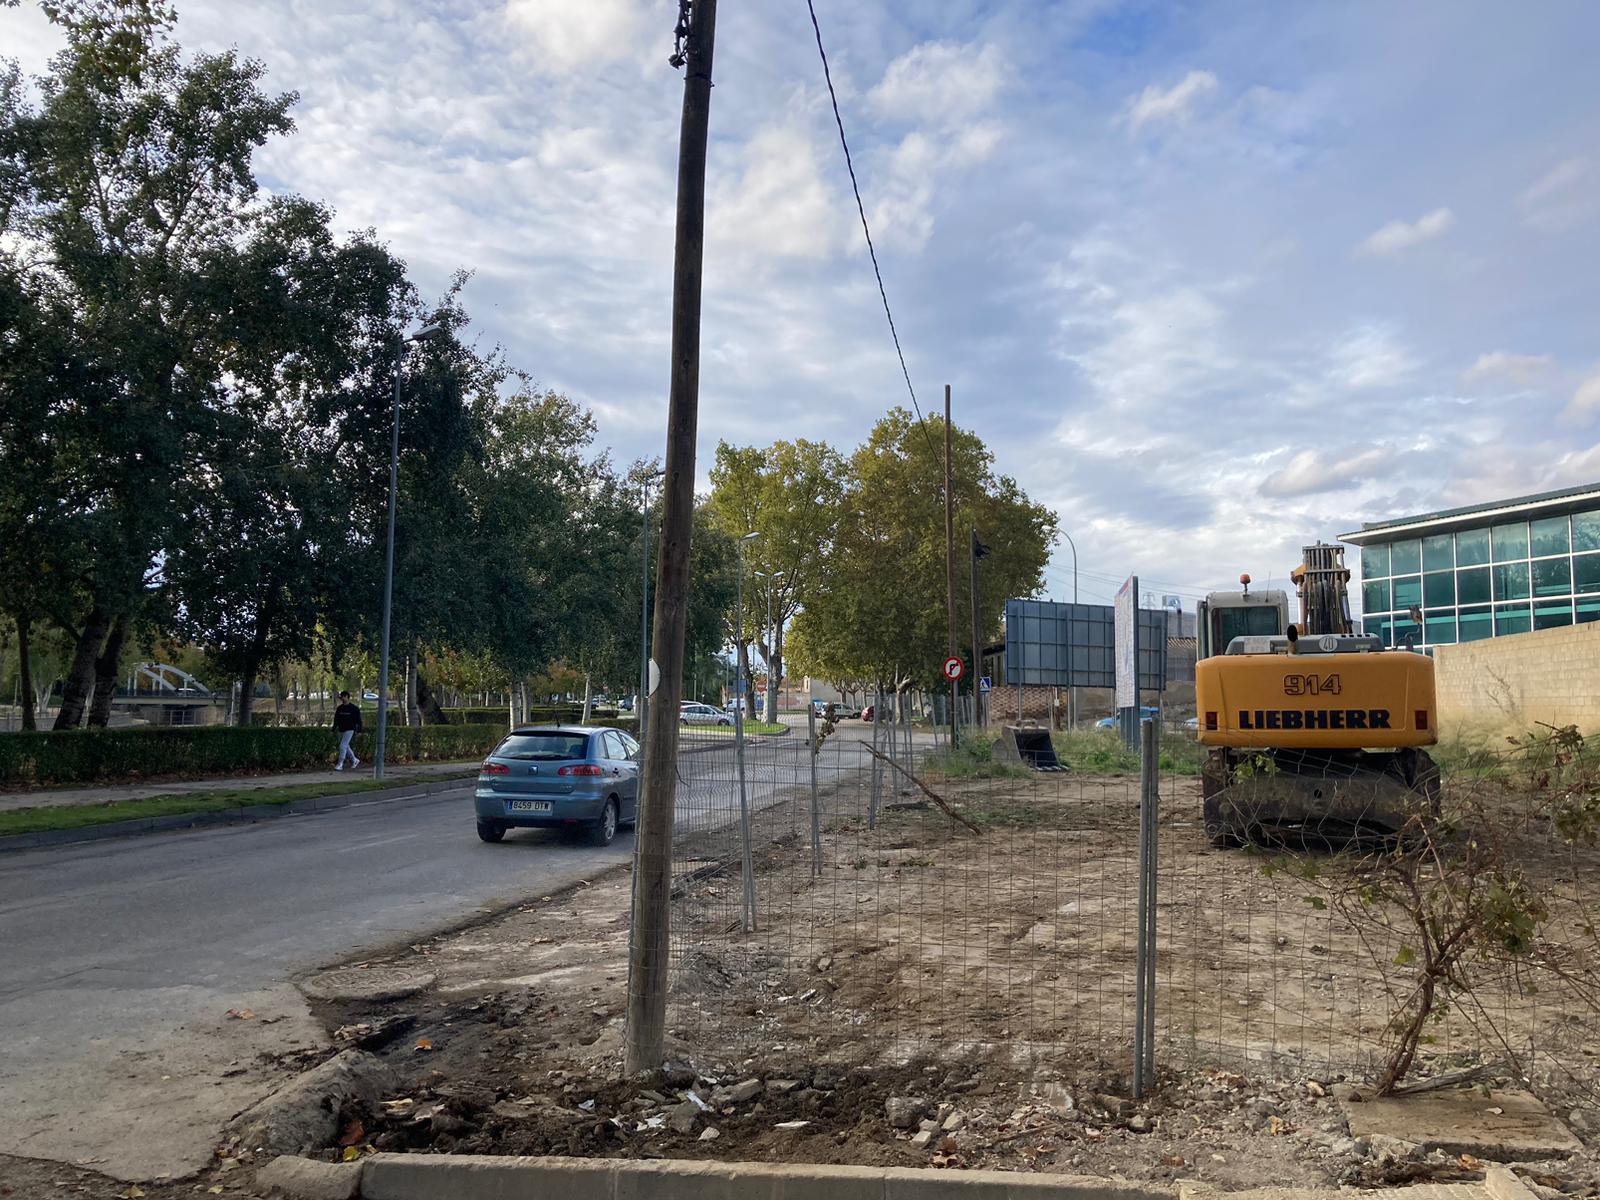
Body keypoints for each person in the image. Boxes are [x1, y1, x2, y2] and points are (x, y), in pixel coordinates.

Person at [332, 691, 363, 771]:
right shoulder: (339, 708)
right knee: (346, 746)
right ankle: (354, 760)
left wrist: (359, 730)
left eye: (343, 697)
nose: (342, 698)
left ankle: (340, 764)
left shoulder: (354, 709)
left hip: (350, 729)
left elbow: (358, 720)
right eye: (341, 697)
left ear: (347, 697)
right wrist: (334, 728)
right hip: (341, 729)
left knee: (342, 746)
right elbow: (336, 719)